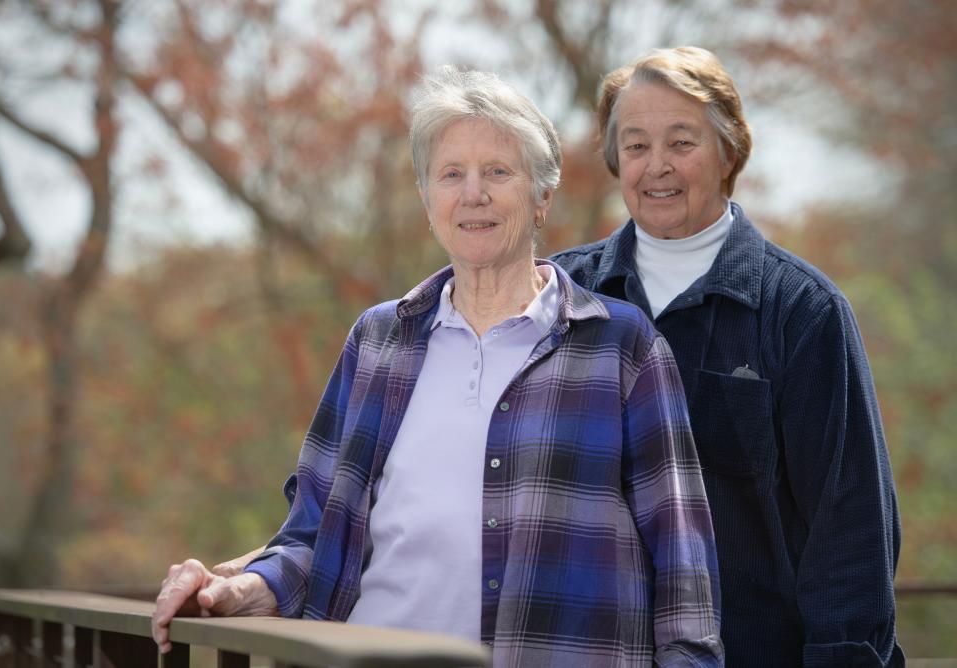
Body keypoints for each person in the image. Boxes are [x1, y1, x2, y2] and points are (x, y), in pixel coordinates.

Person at [152, 66, 723, 666]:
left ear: (541, 198)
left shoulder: (620, 346)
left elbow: (684, 571)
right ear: (428, 200)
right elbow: (316, 535)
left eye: (498, 172)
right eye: (451, 175)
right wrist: (229, 592)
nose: (472, 194)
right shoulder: (377, 341)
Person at [549, 47, 903, 666]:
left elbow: (851, 535)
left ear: (729, 151)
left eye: (681, 142)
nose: (656, 166)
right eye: (635, 146)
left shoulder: (802, 311)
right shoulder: (557, 297)